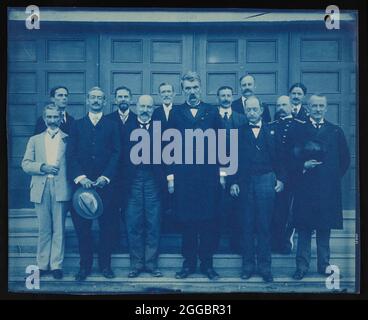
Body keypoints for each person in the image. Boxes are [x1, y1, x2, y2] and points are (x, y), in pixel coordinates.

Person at [167, 71, 222, 280]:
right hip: (184, 177)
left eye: (195, 87)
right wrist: (171, 177)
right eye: (187, 88)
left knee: (208, 221)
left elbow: (221, 144)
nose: (192, 92)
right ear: (183, 90)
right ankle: (188, 264)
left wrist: (222, 175)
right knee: (188, 222)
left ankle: (207, 264)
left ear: (200, 88)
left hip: (208, 178)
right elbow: (168, 147)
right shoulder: (176, 113)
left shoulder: (211, 111)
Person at [292, 94, 350, 280]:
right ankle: (301, 267)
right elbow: (290, 157)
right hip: (305, 188)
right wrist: (302, 166)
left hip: (327, 190)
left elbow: (345, 160)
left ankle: (324, 265)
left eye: (321, 106)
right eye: (314, 106)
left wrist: (329, 177)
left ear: (326, 108)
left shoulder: (335, 131)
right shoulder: (299, 130)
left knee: (325, 228)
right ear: (307, 108)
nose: (317, 109)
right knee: (304, 228)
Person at [67, 86, 121, 281]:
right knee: (83, 230)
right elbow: (70, 155)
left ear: (105, 102)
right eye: (93, 98)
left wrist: (105, 177)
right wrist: (81, 178)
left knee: (107, 228)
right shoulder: (77, 125)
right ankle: (84, 267)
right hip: (81, 188)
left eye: (100, 98)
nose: (96, 101)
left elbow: (117, 153)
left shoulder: (112, 125)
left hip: (106, 188)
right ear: (87, 101)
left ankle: (105, 266)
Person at [230, 96, 286, 283]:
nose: (252, 113)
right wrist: (234, 182)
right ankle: (247, 266)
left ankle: (264, 267)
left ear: (261, 110)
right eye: (248, 110)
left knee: (264, 225)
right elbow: (232, 160)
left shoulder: (272, 130)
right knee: (246, 225)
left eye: (255, 109)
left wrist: (281, 179)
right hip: (245, 181)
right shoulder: (238, 132)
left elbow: (280, 158)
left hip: (266, 180)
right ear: (245, 111)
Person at [22, 104, 71, 279]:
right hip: (41, 188)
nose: (52, 120)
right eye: (49, 117)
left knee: (59, 228)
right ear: (44, 119)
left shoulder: (67, 139)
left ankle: (56, 264)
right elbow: (26, 164)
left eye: (55, 117)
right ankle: (42, 264)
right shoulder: (35, 140)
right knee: (44, 228)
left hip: (61, 188)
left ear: (60, 118)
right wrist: (43, 167)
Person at [124, 95, 165, 278]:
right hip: (132, 180)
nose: (146, 109)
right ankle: (136, 264)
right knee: (134, 222)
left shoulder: (161, 128)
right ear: (136, 106)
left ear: (153, 108)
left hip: (153, 179)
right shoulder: (125, 128)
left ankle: (151, 264)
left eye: (149, 106)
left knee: (152, 222)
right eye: (142, 106)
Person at [270, 95, 306, 254]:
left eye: (284, 104)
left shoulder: (301, 126)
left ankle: (286, 240)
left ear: (292, 106)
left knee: (290, 211)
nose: (281, 108)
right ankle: (275, 241)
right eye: (278, 105)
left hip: (294, 176)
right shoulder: (270, 126)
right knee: (275, 211)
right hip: (274, 176)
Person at [105, 86, 137, 251]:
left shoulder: (138, 120)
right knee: (111, 211)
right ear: (115, 100)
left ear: (131, 99)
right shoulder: (107, 119)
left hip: (131, 174)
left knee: (130, 211)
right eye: (120, 96)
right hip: (112, 174)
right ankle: (114, 244)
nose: (123, 99)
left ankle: (130, 245)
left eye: (126, 96)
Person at [215, 85, 247, 253]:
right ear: (218, 98)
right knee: (215, 207)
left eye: (229, 95)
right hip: (214, 169)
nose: (226, 98)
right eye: (223, 95)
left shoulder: (241, 119)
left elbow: (245, 147)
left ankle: (236, 244)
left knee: (237, 208)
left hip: (236, 170)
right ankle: (214, 245)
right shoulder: (211, 116)